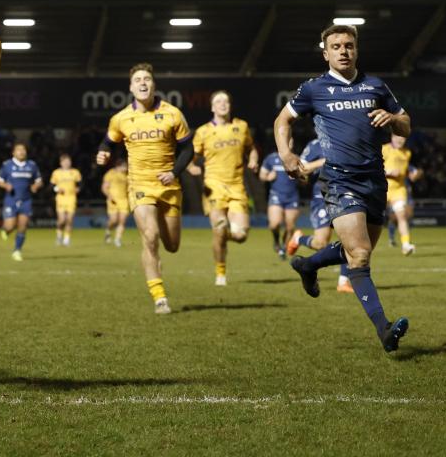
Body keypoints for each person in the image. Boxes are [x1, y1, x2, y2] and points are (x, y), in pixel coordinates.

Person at [275, 24, 411, 352]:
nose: (343, 51)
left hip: (375, 180)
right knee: (360, 254)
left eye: (348, 45)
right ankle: (385, 330)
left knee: (358, 250)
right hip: (339, 179)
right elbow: (283, 121)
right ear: (326, 53)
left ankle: (308, 265)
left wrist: (391, 118)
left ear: (356, 50)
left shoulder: (376, 86)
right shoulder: (313, 89)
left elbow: (406, 125)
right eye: (335, 46)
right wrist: (286, 154)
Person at [96, 62, 193, 314]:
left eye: (146, 79)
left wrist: (173, 173)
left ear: (153, 85)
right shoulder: (121, 118)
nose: (142, 83)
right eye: (138, 79)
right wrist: (103, 153)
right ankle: (159, 297)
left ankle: (162, 224)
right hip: (139, 185)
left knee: (171, 245)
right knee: (150, 237)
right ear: (131, 87)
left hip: (169, 186)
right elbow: (107, 142)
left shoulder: (173, 113)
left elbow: (188, 149)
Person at [188, 90, 258, 285]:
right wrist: (191, 167)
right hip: (214, 185)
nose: (222, 104)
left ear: (230, 105)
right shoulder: (203, 131)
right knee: (219, 229)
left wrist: (253, 160)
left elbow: (251, 149)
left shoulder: (241, 126)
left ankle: (227, 231)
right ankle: (220, 273)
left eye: (226, 101)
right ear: (212, 107)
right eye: (218, 101)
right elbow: (190, 157)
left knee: (241, 235)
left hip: (237, 186)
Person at [287, 138, 353, 293]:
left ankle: (343, 282)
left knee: (350, 238)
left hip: (346, 193)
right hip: (322, 196)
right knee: (321, 243)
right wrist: (325, 162)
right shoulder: (315, 145)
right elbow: (301, 169)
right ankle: (299, 238)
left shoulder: (347, 139)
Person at [0, 143, 43, 260]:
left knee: (23, 226)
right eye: (18, 150)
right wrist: (5, 185)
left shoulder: (32, 165)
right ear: (13, 152)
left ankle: (17, 250)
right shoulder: (7, 165)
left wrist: (35, 186)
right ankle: (6, 230)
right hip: (11, 200)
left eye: (23, 149)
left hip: (26, 200)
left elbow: (39, 180)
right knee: (10, 226)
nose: (21, 152)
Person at [259, 140, 300, 260]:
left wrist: (301, 176)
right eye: (285, 141)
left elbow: (305, 177)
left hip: (292, 197)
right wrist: (268, 177)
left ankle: (283, 248)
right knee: (274, 224)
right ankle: (276, 241)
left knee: (290, 227)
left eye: (290, 142)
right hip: (276, 195)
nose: (288, 144)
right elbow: (262, 175)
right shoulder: (271, 159)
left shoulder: (297, 159)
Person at [382, 134, 416, 255]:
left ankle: (406, 244)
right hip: (382, 188)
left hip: (398, 190)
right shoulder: (384, 149)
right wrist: (388, 172)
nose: (400, 139)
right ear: (392, 137)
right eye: (397, 136)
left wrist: (411, 174)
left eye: (403, 137)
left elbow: (404, 170)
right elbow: (374, 167)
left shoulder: (407, 153)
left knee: (402, 216)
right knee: (371, 217)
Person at [50, 153, 82, 246]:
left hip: (71, 198)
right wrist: (57, 189)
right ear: (61, 163)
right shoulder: (56, 173)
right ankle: (59, 235)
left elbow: (80, 184)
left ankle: (66, 239)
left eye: (68, 161)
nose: (67, 163)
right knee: (61, 220)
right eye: (65, 161)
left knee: (69, 220)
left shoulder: (75, 172)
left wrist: (78, 189)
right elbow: (51, 185)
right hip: (61, 198)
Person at [101, 158, 129, 247]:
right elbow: (104, 187)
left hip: (124, 200)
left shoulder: (128, 175)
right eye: (124, 166)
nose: (126, 168)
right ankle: (108, 231)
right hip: (113, 200)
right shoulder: (111, 173)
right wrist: (109, 195)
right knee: (114, 220)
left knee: (122, 221)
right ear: (118, 166)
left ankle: (117, 239)